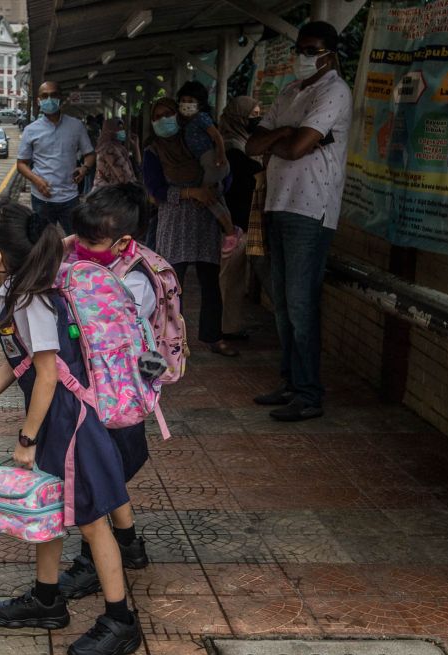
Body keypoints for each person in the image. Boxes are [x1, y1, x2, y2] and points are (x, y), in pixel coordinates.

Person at [0, 200, 142, 655]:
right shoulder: (13, 293)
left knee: (91, 519)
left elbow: (46, 375)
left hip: (69, 421)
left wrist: (26, 439)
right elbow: (17, 362)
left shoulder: (34, 299)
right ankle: (47, 599)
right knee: (53, 506)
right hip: (52, 418)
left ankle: (121, 620)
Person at [245, 21, 352, 422]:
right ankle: (291, 382)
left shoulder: (335, 91)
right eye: (301, 49)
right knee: (283, 305)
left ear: (329, 54)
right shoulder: (291, 92)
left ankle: (309, 394)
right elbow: (254, 143)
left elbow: (296, 149)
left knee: (302, 305)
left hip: (312, 210)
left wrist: (285, 138)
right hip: (277, 204)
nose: (303, 57)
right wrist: (286, 132)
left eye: (312, 50)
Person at [56, 183, 154, 601]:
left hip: (115, 401)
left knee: (95, 483)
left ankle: (92, 562)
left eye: (91, 241)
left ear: (124, 242)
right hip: (99, 396)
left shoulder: (133, 284)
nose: (82, 248)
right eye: (78, 238)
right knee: (108, 473)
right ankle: (129, 544)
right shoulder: (87, 260)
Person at [143, 98, 239, 357]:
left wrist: (211, 189)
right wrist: (191, 192)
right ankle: (172, 342)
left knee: (210, 283)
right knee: (172, 286)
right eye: (158, 115)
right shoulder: (154, 151)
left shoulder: (198, 144)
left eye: (168, 113)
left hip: (205, 223)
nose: (164, 119)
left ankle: (213, 337)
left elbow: (225, 177)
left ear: (179, 116)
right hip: (174, 225)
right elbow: (155, 192)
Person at [17, 80, 95, 231]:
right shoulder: (30, 130)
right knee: (43, 242)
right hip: (41, 198)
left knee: (76, 240)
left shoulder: (76, 126)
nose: (49, 100)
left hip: (70, 197)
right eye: (44, 96)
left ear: (61, 98)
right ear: (39, 101)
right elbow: (21, 164)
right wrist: (37, 180)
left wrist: (84, 168)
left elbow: (90, 154)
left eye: (53, 95)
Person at [218, 96, 264, 340]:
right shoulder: (232, 148)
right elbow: (252, 176)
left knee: (231, 277)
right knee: (230, 278)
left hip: (236, 221)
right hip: (233, 223)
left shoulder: (238, 143)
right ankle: (227, 328)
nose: (257, 119)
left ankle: (228, 326)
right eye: (252, 115)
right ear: (239, 117)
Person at [175, 81, 237, 247]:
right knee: (216, 196)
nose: (186, 104)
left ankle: (230, 233)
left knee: (207, 197)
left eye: (191, 101)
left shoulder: (201, 118)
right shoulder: (186, 124)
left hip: (211, 160)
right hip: (207, 162)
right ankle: (231, 229)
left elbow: (217, 136)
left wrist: (221, 154)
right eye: (184, 100)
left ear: (200, 103)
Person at [92, 117, 138, 192]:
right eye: (118, 129)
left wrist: (136, 147)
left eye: (122, 129)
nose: (122, 131)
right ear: (110, 130)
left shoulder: (112, 146)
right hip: (109, 195)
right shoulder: (110, 149)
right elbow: (125, 177)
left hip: (105, 193)